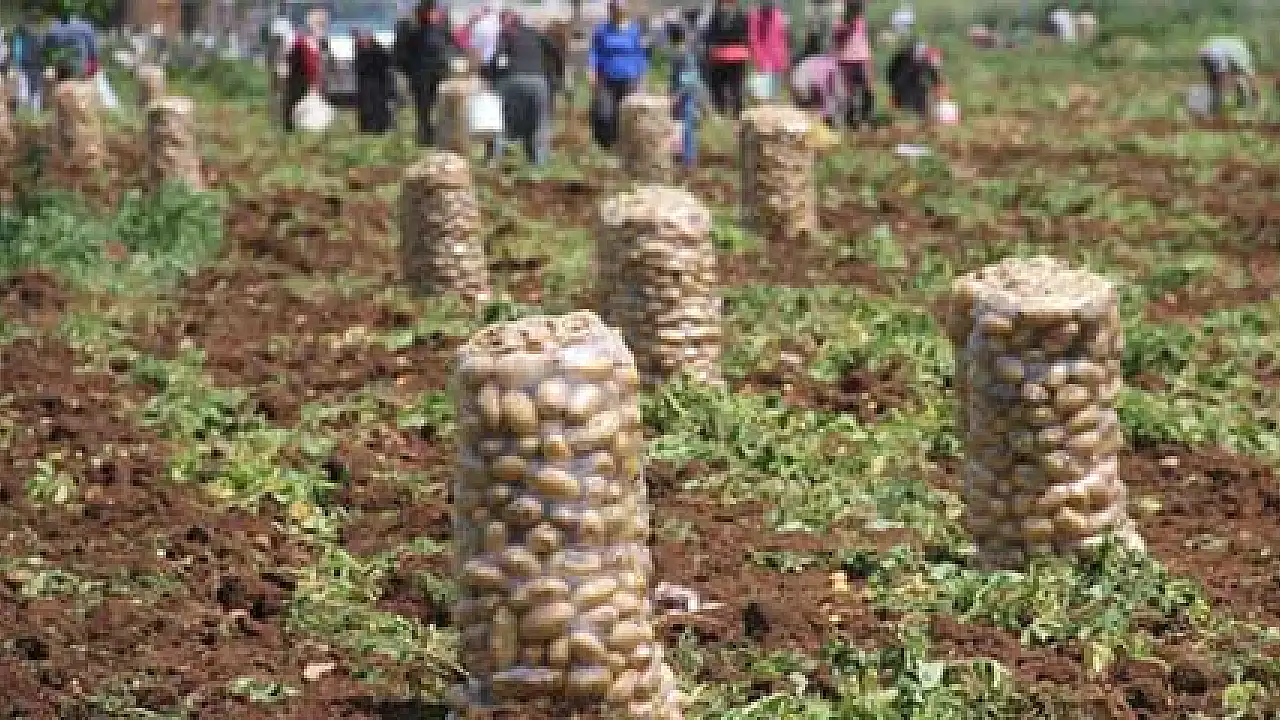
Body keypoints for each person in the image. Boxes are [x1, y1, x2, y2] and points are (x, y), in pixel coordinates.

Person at [488, 9, 559, 168]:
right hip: (538, 81)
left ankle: (495, 159)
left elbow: (498, 60)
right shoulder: (536, 34)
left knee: (500, 119)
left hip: (511, 80)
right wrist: (557, 77)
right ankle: (539, 164)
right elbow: (555, 52)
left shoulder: (506, 35)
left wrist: (492, 78)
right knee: (540, 121)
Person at [394, 0, 458, 146]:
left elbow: (451, 44)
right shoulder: (410, 26)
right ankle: (425, 135)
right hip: (420, 73)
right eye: (431, 11)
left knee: (441, 106)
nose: (434, 14)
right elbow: (400, 52)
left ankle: (440, 135)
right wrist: (410, 71)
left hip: (440, 72)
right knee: (423, 107)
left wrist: (452, 60)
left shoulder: (442, 25)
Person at [586, 0, 648, 149]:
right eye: (614, 8)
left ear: (625, 10)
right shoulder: (601, 30)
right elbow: (595, 52)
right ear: (610, 10)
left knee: (627, 115)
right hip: (607, 79)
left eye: (619, 8)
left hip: (630, 79)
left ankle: (625, 147)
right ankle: (606, 145)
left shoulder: (634, 30)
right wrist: (592, 71)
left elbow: (640, 54)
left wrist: (642, 78)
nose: (616, 11)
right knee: (605, 113)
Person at [668, 23, 708, 168]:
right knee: (683, 126)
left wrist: (676, 95)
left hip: (686, 96)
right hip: (687, 93)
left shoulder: (682, 55)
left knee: (686, 127)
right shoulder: (685, 53)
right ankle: (684, 156)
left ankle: (688, 159)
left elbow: (687, 79)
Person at [703, 0, 749, 117]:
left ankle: (725, 111)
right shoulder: (741, 16)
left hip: (722, 54)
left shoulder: (716, 16)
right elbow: (746, 36)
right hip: (735, 54)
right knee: (735, 84)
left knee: (721, 84)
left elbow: (710, 36)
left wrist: (709, 50)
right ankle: (736, 111)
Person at [282, 9, 326, 132]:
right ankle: (292, 126)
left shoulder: (318, 42)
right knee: (297, 102)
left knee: (310, 105)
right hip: (300, 78)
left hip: (312, 79)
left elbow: (318, 62)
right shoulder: (300, 41)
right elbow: (292, 58)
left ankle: (305, 127)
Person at [831, 0, 872, 127]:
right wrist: (848, 28)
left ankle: (864, 119)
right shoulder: (840, 22)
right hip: (846, 61)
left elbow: (864, 41)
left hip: (861, 60)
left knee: (867, 91)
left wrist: (869, 60)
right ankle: (851, 122)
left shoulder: (861, 21)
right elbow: (838, 40)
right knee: (849, 93)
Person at [1198, 37, 1260, 117]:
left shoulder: (1240, 54)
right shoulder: (1243, 58)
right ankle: (1218, 107)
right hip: (1216, 54)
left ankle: (1216, 107)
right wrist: (1256, 96)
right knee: (1221, 81)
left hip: (1205, 52)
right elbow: (1251, 78)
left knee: (1216, 82)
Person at [886, 40, 944, 121]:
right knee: (908, 95)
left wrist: (938, 84)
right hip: (898, 74)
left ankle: (922, 116)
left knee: (922, 91)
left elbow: (933, 73)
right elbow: (900, 76)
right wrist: (896, 92)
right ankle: (904, 115)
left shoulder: (928, 57)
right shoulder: (911, 54)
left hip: (912, 76)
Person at [790, 32, 840, 125]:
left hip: (803, 97)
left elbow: (795, 84)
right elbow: (833, 87)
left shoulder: (800, 61)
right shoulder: (829, 62)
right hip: (819, 99)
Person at [746, 0, 788, 103]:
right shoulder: (755, 15)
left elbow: (783, 37)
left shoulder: (778, 15)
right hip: (763, 58)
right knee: (762, 95)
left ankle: (773, 105)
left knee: (774, 94)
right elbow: (753, 38)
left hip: (777, 58)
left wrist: (784, 56)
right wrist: (758, 57)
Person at [354, 29, 395, 133]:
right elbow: (359, 68)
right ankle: (368, 127)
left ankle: (380, 126)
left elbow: (385, 65)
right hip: (367, 83)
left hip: (378, 83)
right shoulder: (360, 50)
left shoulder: (378, 50)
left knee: (378, 106)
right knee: (367, 106)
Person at [44, 7, 98, 81]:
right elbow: (93, 52)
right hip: (82, 71)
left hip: (62, 72)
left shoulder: (52, 29)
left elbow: (47, 52)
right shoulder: (86, 26)